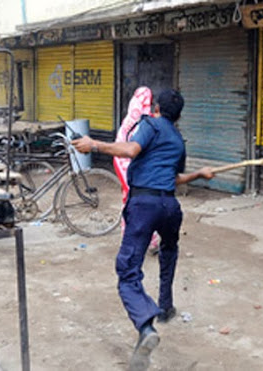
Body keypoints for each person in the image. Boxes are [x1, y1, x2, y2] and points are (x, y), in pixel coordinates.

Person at [72, 89, 215, 371]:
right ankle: (165, 306)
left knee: (127, 271)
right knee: (169, 251)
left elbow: (130, 150)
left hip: (145, 205)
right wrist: (199, 174)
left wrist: (94, 145)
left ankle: (146, 325)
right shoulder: (177, 139)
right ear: (180, 116)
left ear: (156, 108)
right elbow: (175, 179)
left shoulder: (149, 124)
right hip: (170, 207)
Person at [113, 86, 161, 255]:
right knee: (137, 201)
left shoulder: (134, 118)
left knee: (131, 201)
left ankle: (134, 239)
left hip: (124, 162)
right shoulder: (139, 121)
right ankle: (139, 240)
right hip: (126, 162)